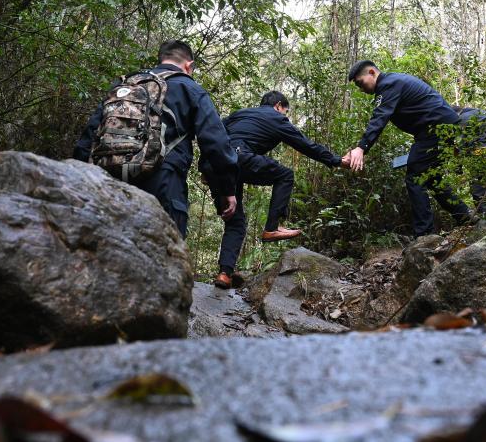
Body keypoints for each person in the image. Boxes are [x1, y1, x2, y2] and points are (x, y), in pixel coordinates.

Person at [72, 40, 238, 237]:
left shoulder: (125, 85)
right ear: (189, 65)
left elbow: (90, 135)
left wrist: (81, 180)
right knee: (165, 253)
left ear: (160, 59)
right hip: (163, 180)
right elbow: (216, 144)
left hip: (109, 179)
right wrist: (227, 189)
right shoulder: (190, 89)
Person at [203, 91, 342, 289]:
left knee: (235, 221)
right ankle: (272, 228)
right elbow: (306, 145)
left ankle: (225, 274)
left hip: (216, 165)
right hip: (240, 159)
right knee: (285, 175)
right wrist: (336, 160)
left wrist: (205, 168)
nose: (285, 116)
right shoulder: (276, 118)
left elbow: (211, 135)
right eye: (285, 112)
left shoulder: (238, 114)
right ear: (278, 106)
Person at [342, 60, 477, 236]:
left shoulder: (388, 84)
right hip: (439, 128)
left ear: (372, 72)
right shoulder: (392, 82)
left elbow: (380, 117)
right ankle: (464, 215)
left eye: (361, 83)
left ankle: (424, 235)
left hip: (435, 128)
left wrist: (361, 148)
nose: (362, 88)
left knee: (415, 178)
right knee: (432, 178)